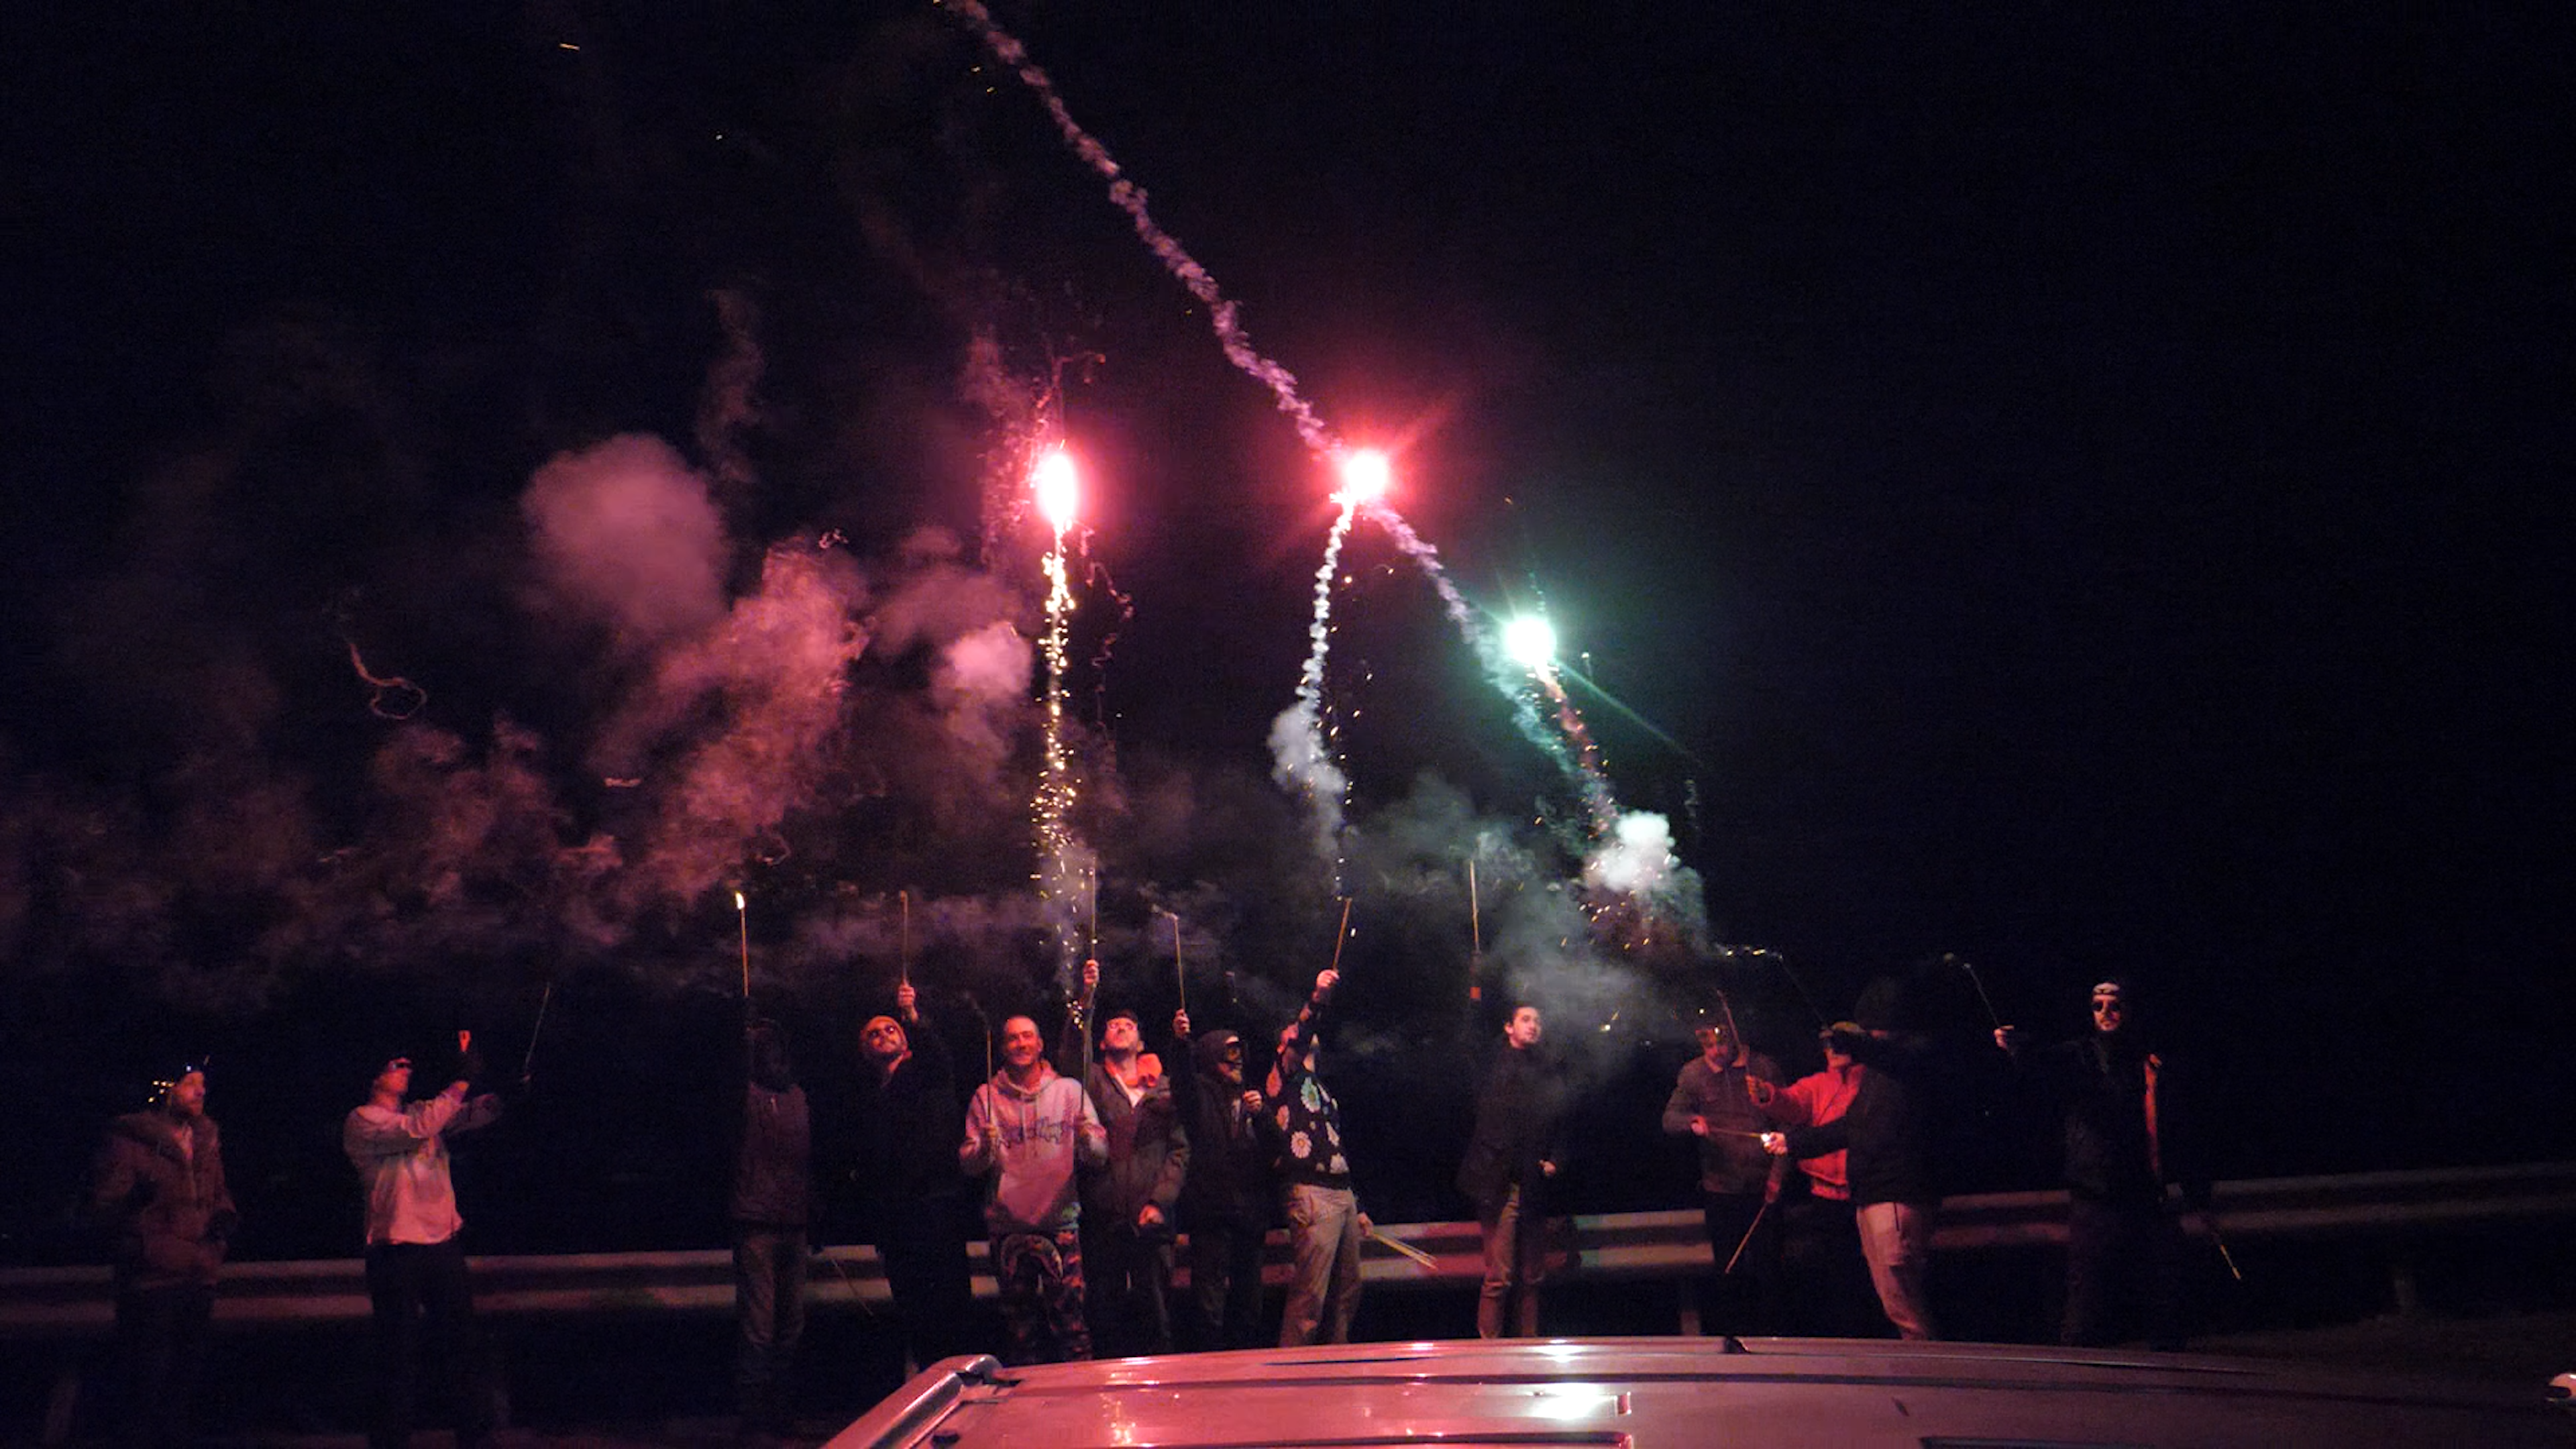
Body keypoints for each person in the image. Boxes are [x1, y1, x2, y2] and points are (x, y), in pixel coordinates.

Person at [1996, 978, 2211, 1350]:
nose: (2106, 1013)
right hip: (2095, 1197)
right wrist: (2017, 1047)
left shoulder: (2154, 1063)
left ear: (2130, 1009)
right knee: (2087, 1298)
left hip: (2148, 1196)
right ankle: (2078, 1380)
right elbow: (2044, 1061)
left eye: (2114, 1005)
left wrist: (2195, 1188)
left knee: (2164, 1298)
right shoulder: (2080, 1056)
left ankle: (2177, 1382)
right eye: (2097, 1006)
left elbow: (2180, 1128)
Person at [1762, 979, 1943, 1340]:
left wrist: (1856, 1043)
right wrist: (1793, 1142)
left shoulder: (1913, 1060)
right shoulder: (1878, 1073)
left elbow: (1896, 1056)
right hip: (1870, 1195)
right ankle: (1921, 1369)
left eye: (1870, 1030)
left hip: (1897, 1193)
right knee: (1893, 1302)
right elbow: (1850, 1126)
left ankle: (1934, 1375)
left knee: (1904, 1302)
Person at [343, 1046, 503, 1449]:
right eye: (396, 1064)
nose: (406, 1069)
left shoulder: (419, 1111)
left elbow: (470, 1114)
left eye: (408, 1064)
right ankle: (391, 1441)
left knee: (463, 1345)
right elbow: (420, 1128)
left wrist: (505, 1097)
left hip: (442, 1245)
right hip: (395, 1249)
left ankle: (475, 1435)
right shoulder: (363, 1120)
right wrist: (461, 1081)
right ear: (373, 1074)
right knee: (397, 1352)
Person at [90, 1061, 235, 1449]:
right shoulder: (131, 1138)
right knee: (145, 1382)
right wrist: (134, 1210)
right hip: (152, 1275)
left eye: (203, 1084)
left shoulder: (205, 1138)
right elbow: (105, 1206)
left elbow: (219, 1192)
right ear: (165, 1089)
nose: (200, 1092)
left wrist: (223, 1222)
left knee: (184, 1383)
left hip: (198, 1270)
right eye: (190, 1084)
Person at [959, 1010, 1106, 1364]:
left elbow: (1099, 1156)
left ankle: (1082, 1399)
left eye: (1027, 1036)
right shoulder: (986, 1096)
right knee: (1020, 1330)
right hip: (1008, 1229)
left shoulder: (1070, 1090)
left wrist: (1087, 1139)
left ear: (1040, 1044)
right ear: (1004, 1047)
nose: (1020, 1043)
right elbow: (969, 1164)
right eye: (1012, 1038)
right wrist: (985, 1148)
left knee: (1071, 1323)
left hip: (1060, 1224)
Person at [1061, 962, 1190, 1357]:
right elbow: (1071, 1054)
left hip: (1152, 1217)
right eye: (1111, 1026)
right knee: (1106, 1313)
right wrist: (1087, 999)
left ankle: (1162, 1397)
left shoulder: (1165, 1088)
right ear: (1101, 1043)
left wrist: (1160, 1201)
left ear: (1141, 1043)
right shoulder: (1093, 1081)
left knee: (1157, 1315)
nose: (1118, 1029)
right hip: (1105, 1215)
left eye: (1127, 1027)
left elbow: (1180, 1149)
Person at [851, 981, 975, 1373]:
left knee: (947, 1305)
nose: (883, 1035)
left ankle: (960, 1383)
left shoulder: (922, 1074)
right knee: (914, 1308)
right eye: (874, 1033)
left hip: (935, 1208)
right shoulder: (872, 1098)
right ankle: (930, 1386)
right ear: (865, 1051)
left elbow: (938, 1058)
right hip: (898, 1220)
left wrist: (913, 1017)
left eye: (890, 1029)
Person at [1261, 968, 1368, 1346]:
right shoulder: (1283, 1078)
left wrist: (1358, 1204)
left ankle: (1336, 1369)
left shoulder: (1321, 1089)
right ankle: (1292, 1374)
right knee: (1312, 1295)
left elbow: (1335, 1145)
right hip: (1311, 1193)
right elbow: (1302, 1035)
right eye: (1292, 1033)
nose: (1300, 1033)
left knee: (1347, 1291)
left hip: (1340, 1194)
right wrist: (1318, 999)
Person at [1752, 1022, 1878, 1336]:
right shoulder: (1818, 1083)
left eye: (1839, 1043)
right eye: (1827, 1044)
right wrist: (1768, 1094)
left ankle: (1874, 1340)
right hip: (1824, 1196)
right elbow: (1793, 1104)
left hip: (1865, 1193)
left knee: (1870, 1278)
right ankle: (1848, 1340)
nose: (1832, 1050)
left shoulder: (1874, 1084)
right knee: (1837, 1278)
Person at [1660, 1014, 1782, 1335]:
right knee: (1728, 1269)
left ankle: (1771, 1337)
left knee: (1768, 1269)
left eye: (1720, 1043)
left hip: (1764, 1185)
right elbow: (1670, 1119)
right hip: (1720, 1187)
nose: (1714, 1051)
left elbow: (1788, 1125)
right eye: (1707, 1045)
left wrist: (1778, 1178)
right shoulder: (1694, 1073)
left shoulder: (1764, 1068)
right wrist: (1693, 1121)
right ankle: (1731, 1338)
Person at [1169, 1008, 1275, 1350]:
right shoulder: (1200, 1094)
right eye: (1229, 1054)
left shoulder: (1251, 1100)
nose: (1238, 1061)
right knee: (1208, 1306)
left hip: (1249, 1218)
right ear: (1213, 1056)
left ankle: (1249, 1373)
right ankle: (1210, 1374)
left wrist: (1264, 1117)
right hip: (1211, 1216)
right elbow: (1182, 1082)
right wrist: (1180, 1042)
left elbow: (1277, 1149)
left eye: (1240, 1054)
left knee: (1249, 1304)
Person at [1459, 1004, 1566, 1338]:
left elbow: (1563, 1118)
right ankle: (1489, 1349)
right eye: (1526, 1020)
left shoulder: (1546, 1070)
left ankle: (1529, 1347)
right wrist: (1476, 989)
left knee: (1533, 1274)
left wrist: (1556, 1160)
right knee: (1499, 1276)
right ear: (1509, 1027)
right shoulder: (1492, 1063)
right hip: (1497, 1182)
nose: (1533, 1026)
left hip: (1532, 1182)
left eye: (1537, 1020)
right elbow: (1472, 1032)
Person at [727, 1017, 812, 1438]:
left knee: (790, 1324)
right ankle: (755, 1418)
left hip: (794, 1223)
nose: (775, 1059)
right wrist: (736, 1042)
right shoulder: (743, 1095)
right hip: (755, 1222)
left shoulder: (798, 1097)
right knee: (759, 1326)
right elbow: (719, 1080)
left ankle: (781, 1410)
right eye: (766, 1051)